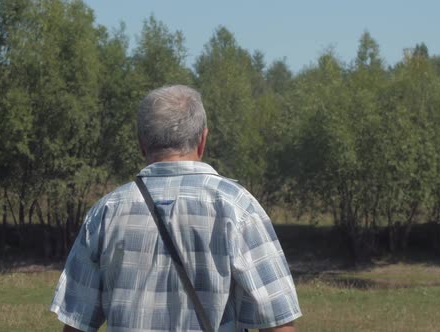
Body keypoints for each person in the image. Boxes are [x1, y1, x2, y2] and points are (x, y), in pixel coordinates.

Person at [50, 85, 302, 331]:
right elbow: (277, 320)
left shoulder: (105, 212)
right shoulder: (237, 207)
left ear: (141, 144)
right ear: (202, 140)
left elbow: (77, 321)